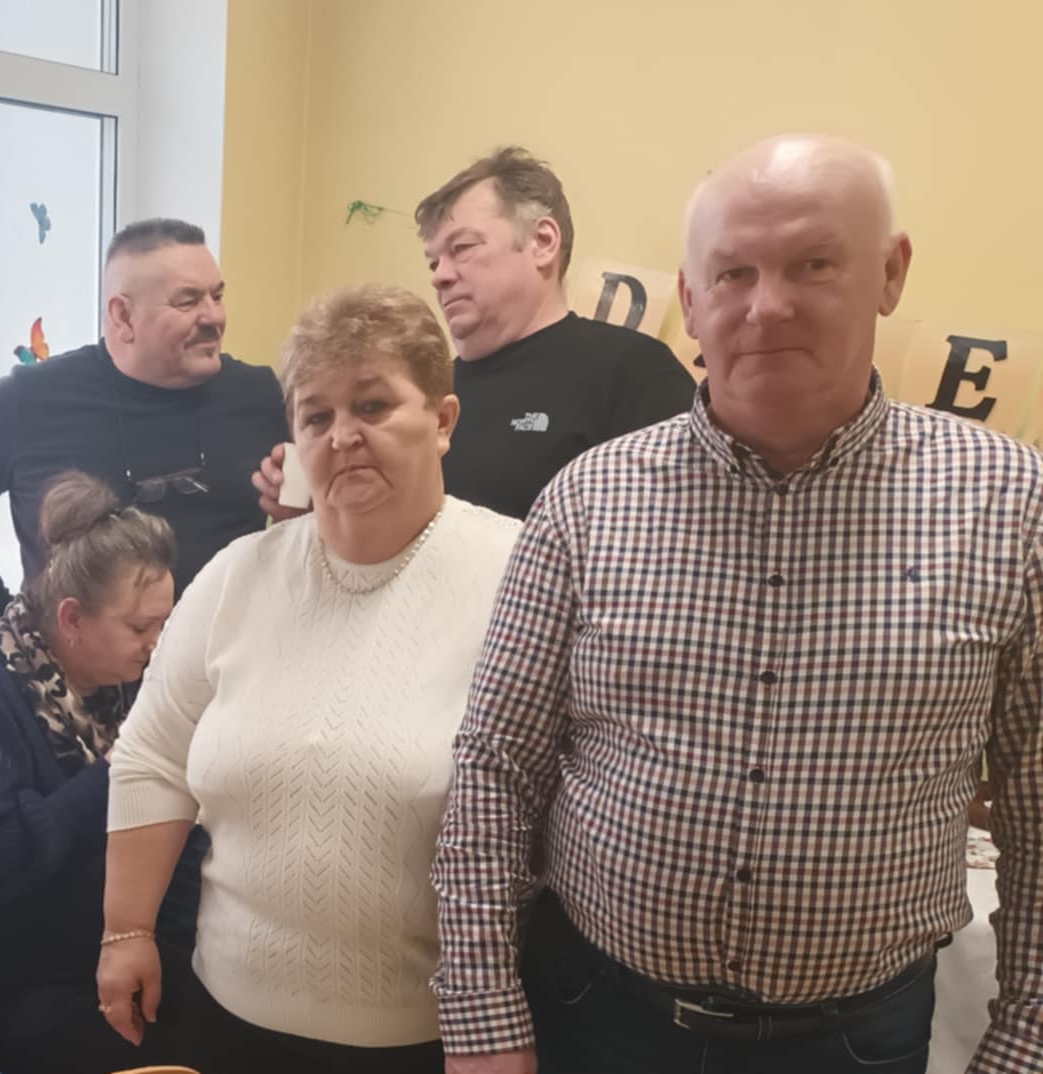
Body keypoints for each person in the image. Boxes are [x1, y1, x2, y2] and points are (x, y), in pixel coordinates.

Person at [431, 134, 1043, 1074]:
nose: (767, 305)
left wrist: (1023, 1038)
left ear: (890, 272)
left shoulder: (1010, 504)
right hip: (596, 1016)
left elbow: (1035, 806)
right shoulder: (588, 500)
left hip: (855, 1042)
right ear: (690, 298)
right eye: (732, 273)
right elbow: (494, 769)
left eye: (813, 264)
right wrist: (482, 1013)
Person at [96, 284, 522, 1074]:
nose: (343, 436)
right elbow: (152, 757)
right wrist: (127, 930)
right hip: (229, 1015)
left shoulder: (519, 576)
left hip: (423, 1038)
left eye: (373, 405)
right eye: (316, 416)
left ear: (442, 420)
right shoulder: (235, 578)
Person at [0, 470, 195, 1074]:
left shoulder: (118, 685)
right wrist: (120, 770)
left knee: (251, 1026)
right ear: (71, 619)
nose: (158, 644)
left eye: (166, 623)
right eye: (141, 628)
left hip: (100, 952)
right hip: (9, 988)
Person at [255, 147, 696, 521]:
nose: (440, 276)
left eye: (461, 248)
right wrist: (320, 508)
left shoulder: (634, 374)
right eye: (433, 261)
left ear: (543, 242)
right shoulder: (419, 393)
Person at [0, 217, 287, 632]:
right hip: (69, 672)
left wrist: (297, 515)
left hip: (224, 666)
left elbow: (318, 521)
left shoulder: (262, 396)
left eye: (217, 295)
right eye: (188, 302)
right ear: (123, 316)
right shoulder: (33, 400)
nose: (213, 316)